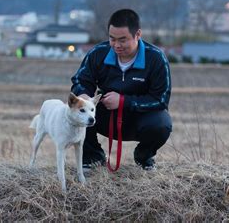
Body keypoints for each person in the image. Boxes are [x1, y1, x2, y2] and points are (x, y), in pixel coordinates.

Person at [71, 9, 172, 171]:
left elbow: (161, 100)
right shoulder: (98, 53)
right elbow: (80, 80)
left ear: (138, 34)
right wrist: (83, 94)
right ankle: (93, 156)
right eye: (112, 39)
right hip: (105, 115)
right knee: (77, 111)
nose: (116, 45)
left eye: (123, 40)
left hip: (140, 119)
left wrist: (124, 101)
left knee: (162, 124)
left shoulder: (156, 58)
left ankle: (143, 156)